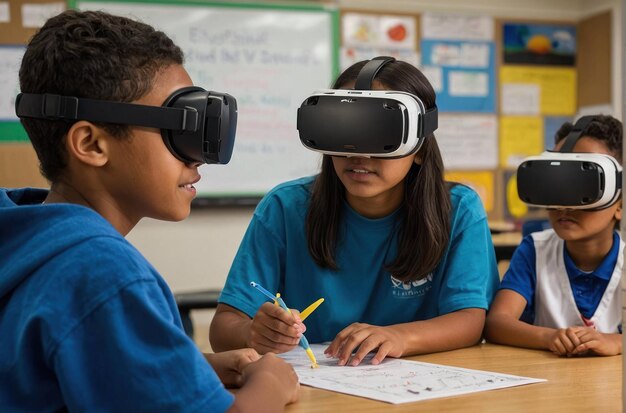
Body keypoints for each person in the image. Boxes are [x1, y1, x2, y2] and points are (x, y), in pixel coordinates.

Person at [0, 10, 298, 412]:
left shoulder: (27, 236)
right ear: (91, 144)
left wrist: (193, 368)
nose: (198, 160)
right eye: (181, 130)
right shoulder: (103, 274)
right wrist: (271, 383)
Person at [210, 59, 500, 366]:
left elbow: (471, 320)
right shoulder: (285, 208)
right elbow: (223, 327)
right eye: (343, 130)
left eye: (380, 133)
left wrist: (400, 337)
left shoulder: (457, 210)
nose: (357, 154)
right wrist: (254, 333)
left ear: (420, 148)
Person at [485, 115, 623, 357]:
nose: (563, 204)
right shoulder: (535, 251)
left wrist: (618, 342)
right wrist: (549, 337)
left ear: (619, 204)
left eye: (582, 183)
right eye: (556, 183)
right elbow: (496, 323)